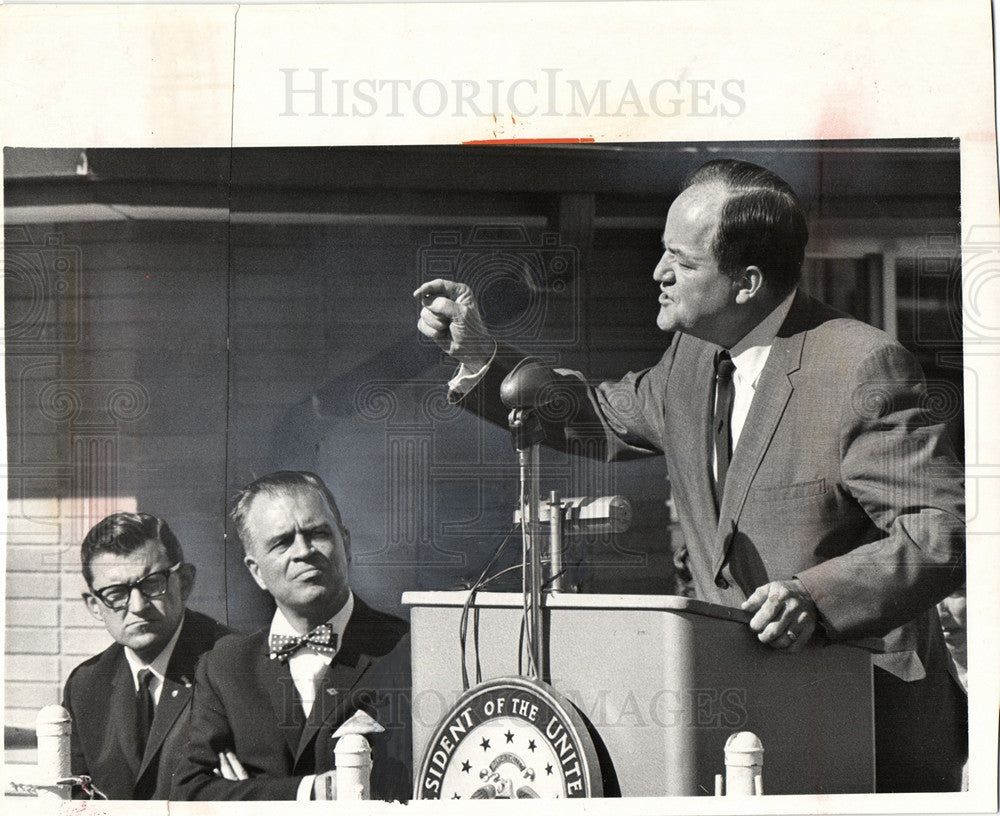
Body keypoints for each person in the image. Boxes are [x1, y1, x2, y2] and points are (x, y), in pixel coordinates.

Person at [414, 158, 967, 793]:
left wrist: (815, 596)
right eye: (661, 251)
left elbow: (941, 531)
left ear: (747, 282)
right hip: (737, 726)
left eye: (681, 260)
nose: (658, 273)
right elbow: (600, 414)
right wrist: (483, 356)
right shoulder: (692, 356)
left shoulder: (861, 366)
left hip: (866, 730)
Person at [171, 470, 411, 800]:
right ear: (256, 572)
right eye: (282, 542)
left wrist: (242, 794)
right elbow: (188, 793)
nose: (303, 550)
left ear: (347, 543)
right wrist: (312, 791)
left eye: (317, 533)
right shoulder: (224, 666)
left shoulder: (409, 650)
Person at [61, 512, 230, 799]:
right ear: (94, 605)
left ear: (184, 582)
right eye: (116, 593)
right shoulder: (85, 686)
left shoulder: (235, 662)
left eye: (152, 584)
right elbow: (78, 801)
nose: (138, 606)